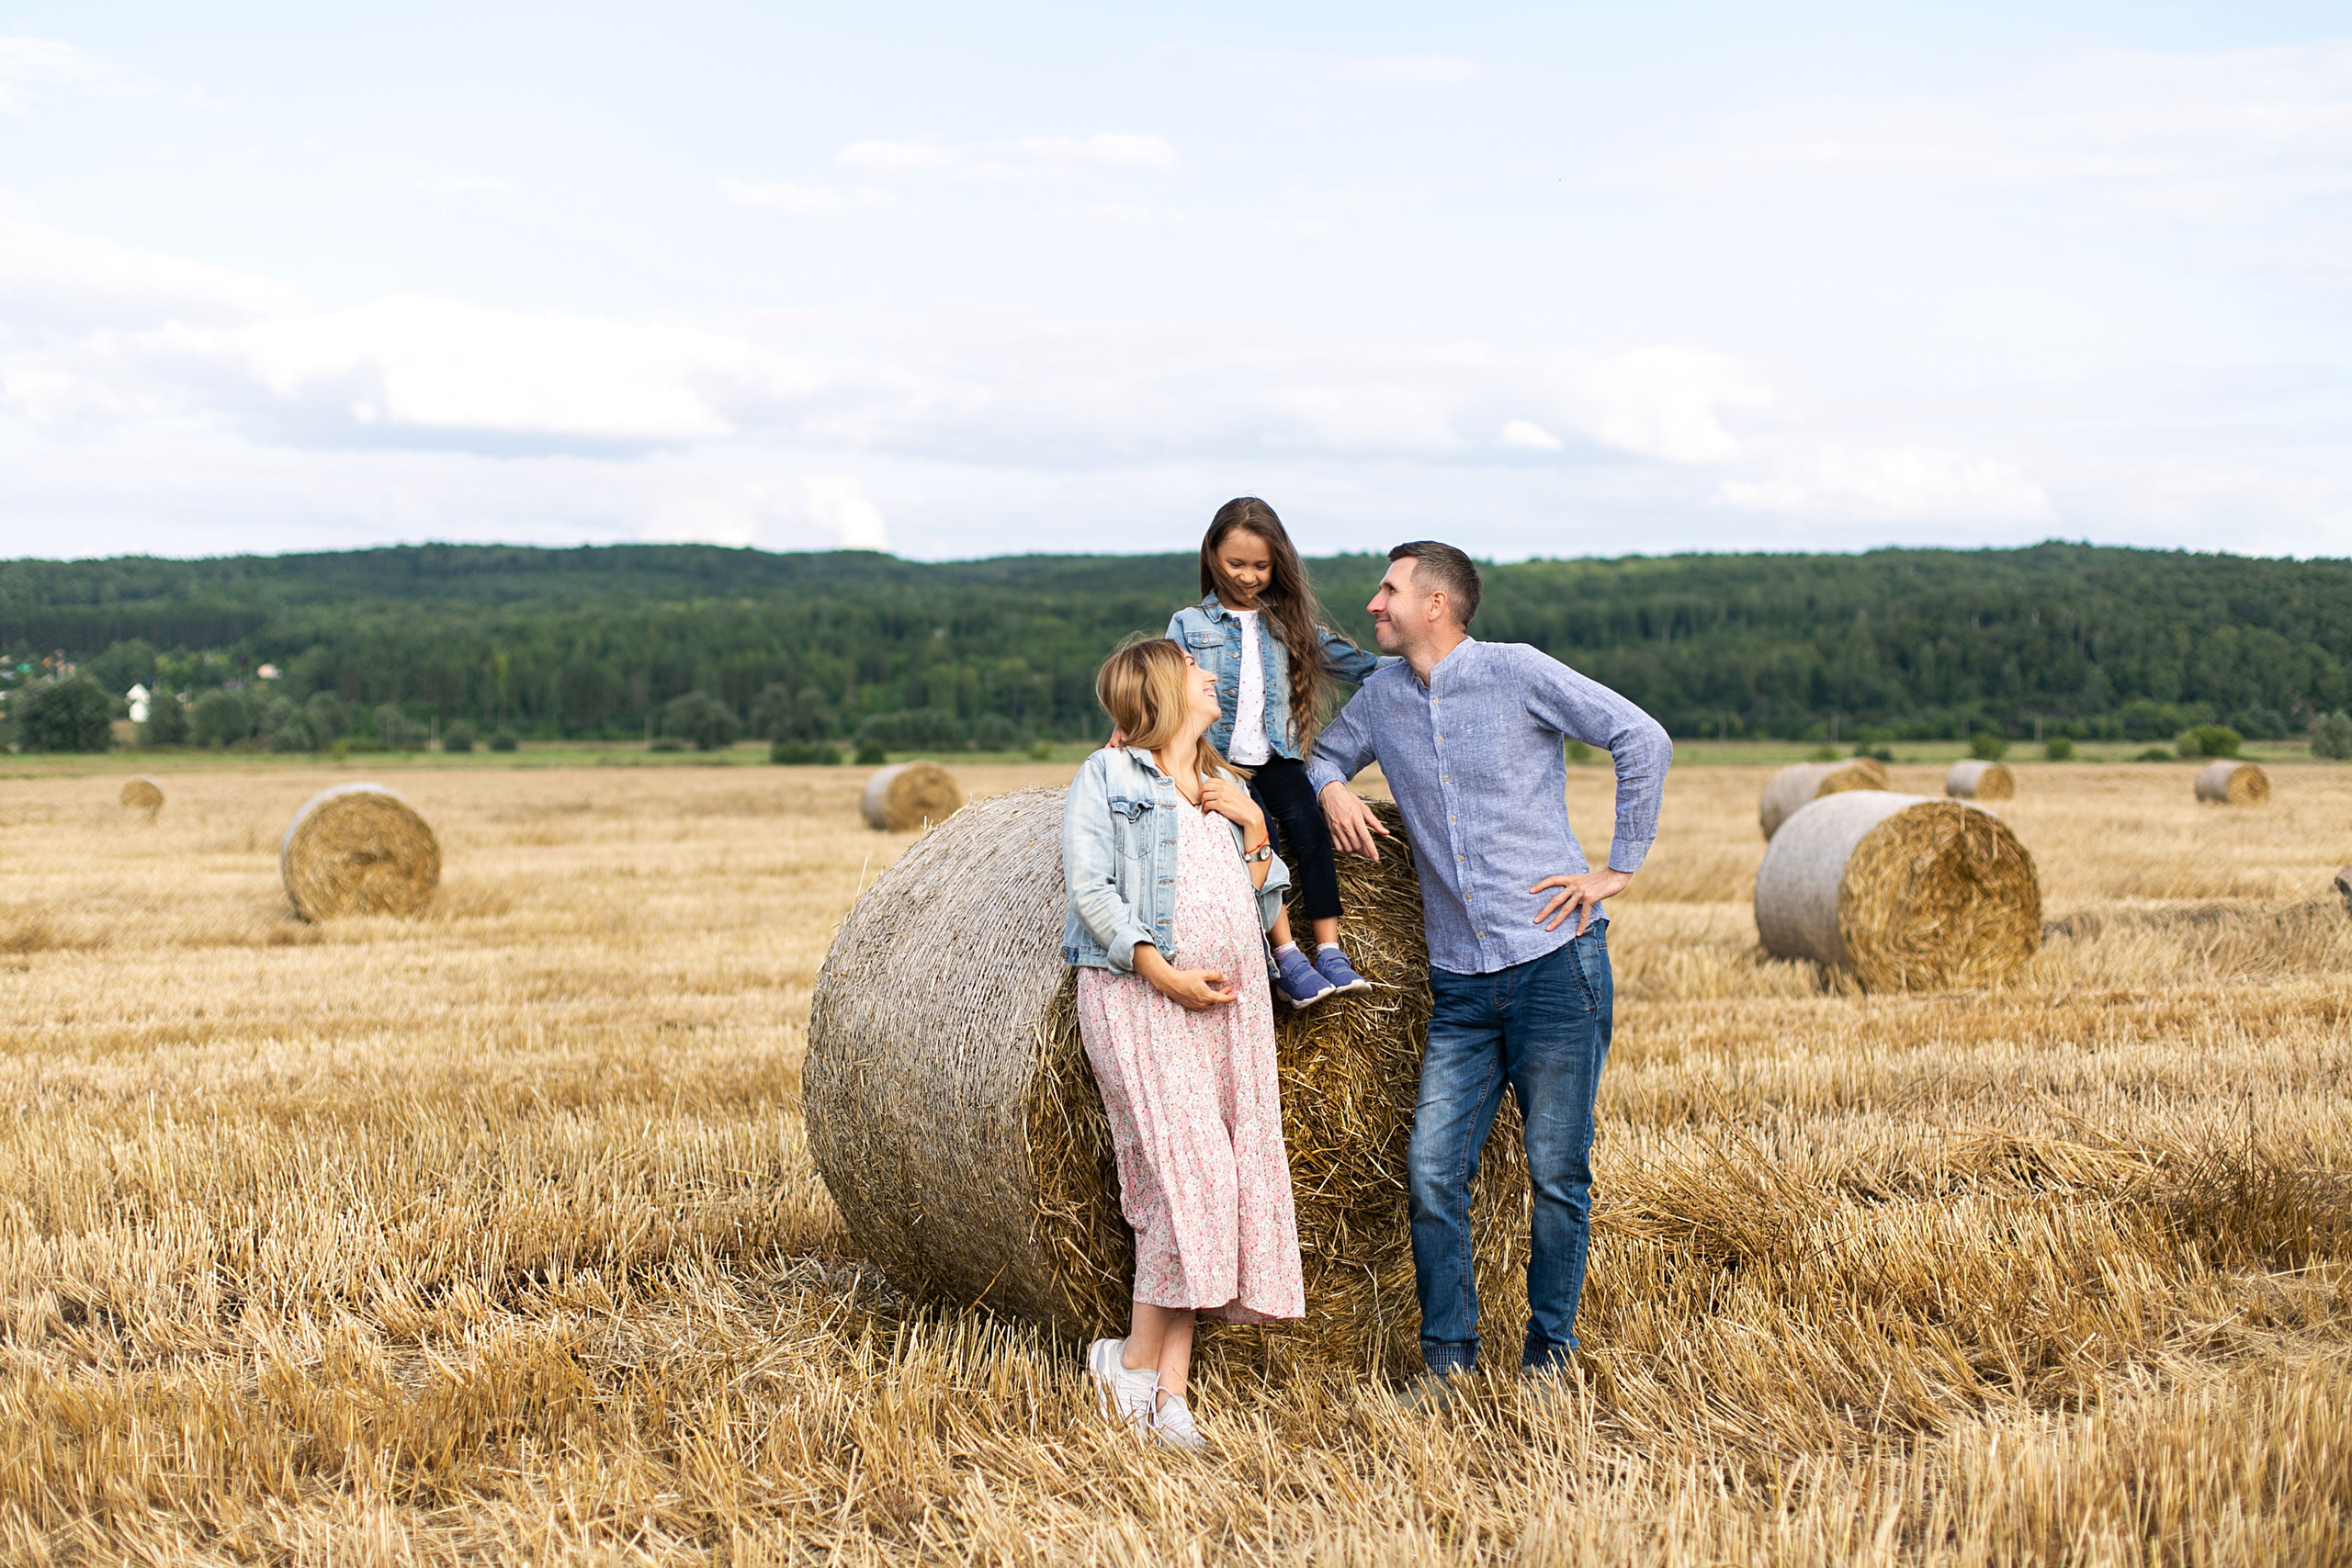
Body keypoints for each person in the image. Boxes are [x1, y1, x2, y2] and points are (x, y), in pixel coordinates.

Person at [1304, 541, 1670, 1395]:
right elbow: (1320, 758)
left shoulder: (1517, 672)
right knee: (1433, 1171)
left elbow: (1639, 737)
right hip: (1461, 983)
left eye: (1387, 590)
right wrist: (1329, 789)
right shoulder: (1383, 698)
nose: (1372, 605)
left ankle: (1549, 1356)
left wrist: (1617, 865)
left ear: (1435, 604)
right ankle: (1450, 1362)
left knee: (1555, 1175)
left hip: (1554, 966)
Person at [1062, 636, 1307, 1450]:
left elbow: (1260, 891)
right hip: (1143, 999)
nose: (1213, 674)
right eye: (1196, 667)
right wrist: (1162, 971)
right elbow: (1091, 885)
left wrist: (1256, 828)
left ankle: (1170, 1397)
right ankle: (1128, 1360)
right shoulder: (1110, 776)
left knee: (1214, 1190)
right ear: (1161, 688)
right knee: (1182, 1182)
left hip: (1232, 1016)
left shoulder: (1221, 784)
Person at [1167, 497, 1390, 1010]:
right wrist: (1126, 725)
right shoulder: (1188, 624)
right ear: (1211, 557)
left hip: (1279, 759)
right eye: (1235, 564)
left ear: (1278, 563)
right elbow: (1157, 680)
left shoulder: (1287, 624)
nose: (1248, 576)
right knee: (1256, 837)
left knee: (1311, 829)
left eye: (1261, 566)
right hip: (1220, 764)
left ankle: (1330, 951)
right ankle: (1287, 956)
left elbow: (1359, 665)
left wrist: (1427, 668)